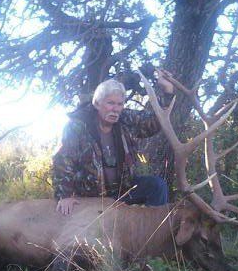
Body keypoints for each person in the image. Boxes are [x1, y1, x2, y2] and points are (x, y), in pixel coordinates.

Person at [53, 71, 174, 215]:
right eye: (110, 103)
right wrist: (65, 195)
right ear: (97, 103)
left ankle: (154, 232)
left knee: (156, 186)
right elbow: (63, 160)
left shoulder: (125, 119)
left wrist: (167, 92)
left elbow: (153, 123)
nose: (115, 109)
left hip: (123, 191)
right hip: (91, 197)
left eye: (119, 104)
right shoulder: (78, 126)